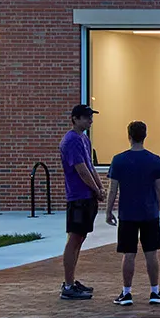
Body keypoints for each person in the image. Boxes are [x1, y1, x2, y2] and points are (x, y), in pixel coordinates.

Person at [106, 118, 160, 306]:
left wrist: (108, 211)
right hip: (149, 213)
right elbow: (159, 189)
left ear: (129, 136)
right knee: (151, 253)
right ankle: (154, 292)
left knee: (129, 253)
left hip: (127, 214)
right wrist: (156, 207)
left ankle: (126, 293)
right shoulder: (155, 160)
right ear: (145, 136)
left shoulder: (119, 160)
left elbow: (112, 189)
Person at [59, 102, 105, 301]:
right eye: (86, 117)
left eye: (91, 116)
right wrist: (95, 189)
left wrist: (100, 188)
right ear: (75, 119)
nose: (90, 120)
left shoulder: (84, 139)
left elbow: (91, 166)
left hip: (88, 196)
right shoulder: (71, 140)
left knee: (80, 238)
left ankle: (72, 280)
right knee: (74, 239)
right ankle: (68, 285)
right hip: (78, 196)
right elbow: (80, 169)